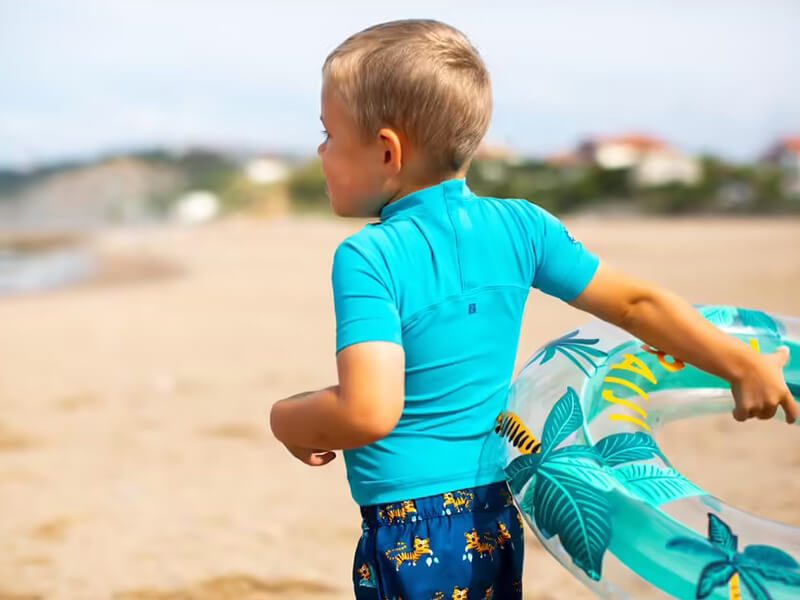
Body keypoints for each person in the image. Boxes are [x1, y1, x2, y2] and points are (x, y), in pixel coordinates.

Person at [269, 18, 796, 599]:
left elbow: (370, 411)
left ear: (387, 151)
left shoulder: (369, 256)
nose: (320, 152)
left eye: (328, 135)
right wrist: (741, 363)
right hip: (495, 511)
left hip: (410, 528)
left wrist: (287, 419)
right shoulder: (523, 226)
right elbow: (638, 304)